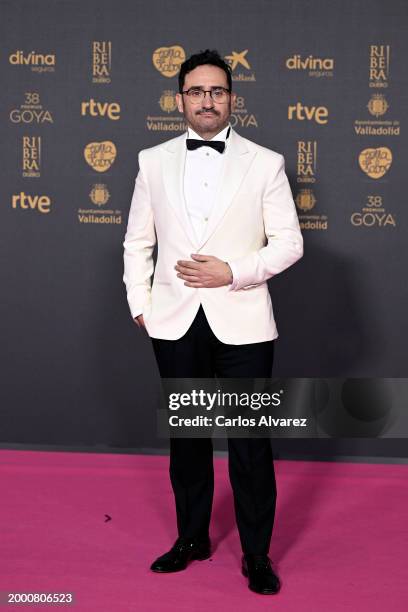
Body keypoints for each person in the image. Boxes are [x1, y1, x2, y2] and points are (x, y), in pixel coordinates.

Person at [123, 49, 303, 595]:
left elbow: (290, 244)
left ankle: (256, 554)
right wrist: (141, 305)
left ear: (231, 98)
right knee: (189, 439)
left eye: (217, 91)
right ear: (180, 100)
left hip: (244, 321)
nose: (207, 99)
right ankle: (192, 539)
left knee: (250, 442)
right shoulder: (151, 161)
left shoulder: (265, 162)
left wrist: (234, 271)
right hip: (176, 323)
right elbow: (138, 241)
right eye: (197, 91)